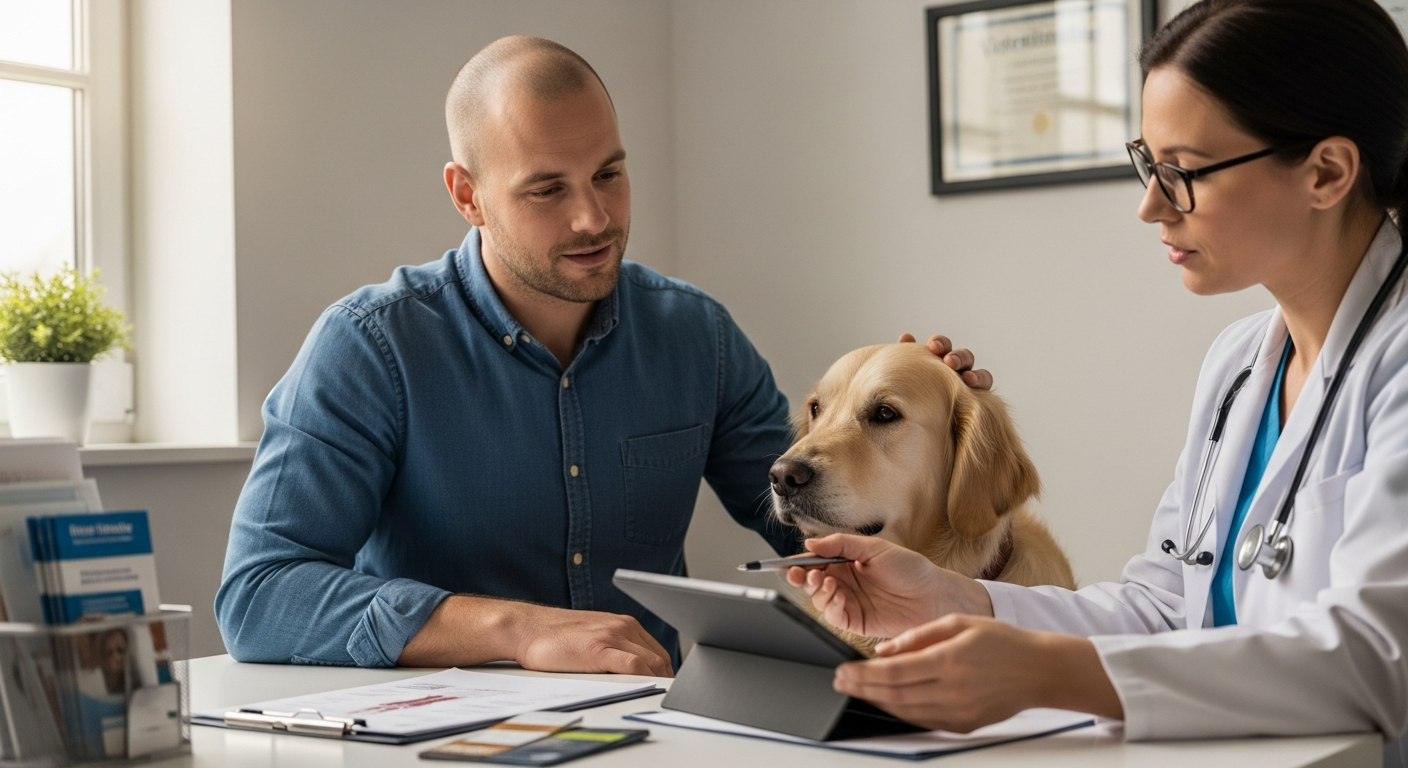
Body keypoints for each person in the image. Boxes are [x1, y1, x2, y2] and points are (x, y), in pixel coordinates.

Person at [215, 35, 989, 674]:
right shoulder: (371, 347)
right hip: (443, 739)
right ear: (467, 195)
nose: (594, 217)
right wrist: (518, 631)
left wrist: (924, 435)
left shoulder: (697, 336)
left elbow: (815, 527)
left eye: (610, 174)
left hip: (656, 731)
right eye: (546, 190)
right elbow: (258, 595)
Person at [789, 0, 1408, 762]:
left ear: (1327, 171)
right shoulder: (1242, 363)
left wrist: (1051, 672)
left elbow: (1380, 659)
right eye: (1148, 165)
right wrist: (955, 599)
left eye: (1180, 172)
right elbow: (1163, 608)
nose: (1150, 206)